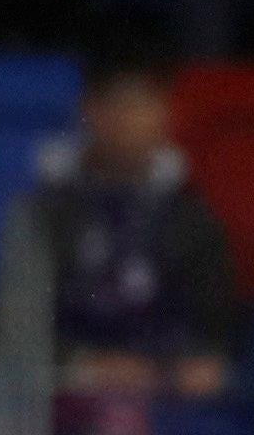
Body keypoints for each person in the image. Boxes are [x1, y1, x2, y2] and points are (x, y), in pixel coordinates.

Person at [28, 54, 240, 390]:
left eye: (141, 106)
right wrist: (79, 362)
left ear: (164, 115)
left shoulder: (191, 211)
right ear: (89, 111)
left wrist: (179, 366)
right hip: (67, 380)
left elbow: (212, 322)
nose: (127, 121)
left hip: (166, 383)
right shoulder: (47, 210)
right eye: (116, 105)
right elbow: (22, 314)